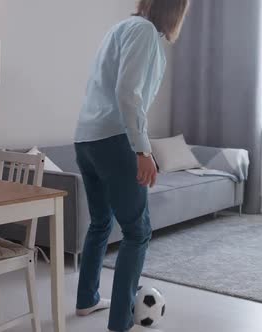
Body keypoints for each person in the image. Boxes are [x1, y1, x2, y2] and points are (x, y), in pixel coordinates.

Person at [73, 1, 189, 331]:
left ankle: (87, 300)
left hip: (86, 138)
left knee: (100, 223)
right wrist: (143, 150)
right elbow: (128, 94)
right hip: (114, 140)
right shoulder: (144, 33)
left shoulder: (120, 28)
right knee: (137, 232)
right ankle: (121, 321)